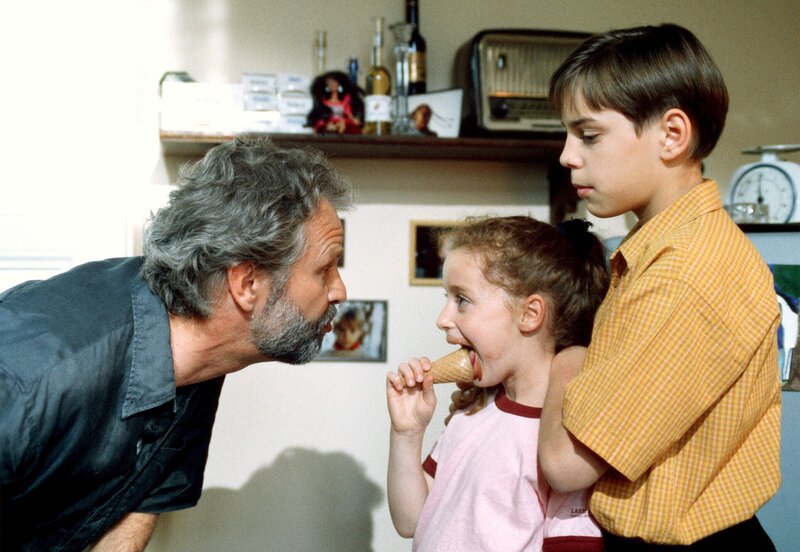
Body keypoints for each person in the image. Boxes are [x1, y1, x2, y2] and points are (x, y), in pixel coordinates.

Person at [0, 136, 353, 551]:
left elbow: (140, 500)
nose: (340, 291)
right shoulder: (29, 376)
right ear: (247, 283)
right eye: (325, 269)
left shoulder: (203, 359)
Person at [537, 23, 782, 550]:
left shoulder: (685, 272)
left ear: (672, 135)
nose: (567, 155)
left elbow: (565, 464)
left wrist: (567, 358)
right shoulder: (664, 250)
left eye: (588, 135)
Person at [386, 216, 609, 551]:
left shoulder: (565, 440)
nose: (442, 319)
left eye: (462, 300)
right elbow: (410, 521)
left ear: (529, 314)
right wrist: (406, 435)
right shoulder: (472, 412)